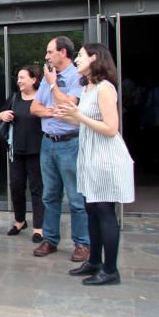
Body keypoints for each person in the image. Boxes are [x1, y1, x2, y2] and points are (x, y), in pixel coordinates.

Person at [56, 44, 135, 286]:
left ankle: (110, 270)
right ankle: (95, 262)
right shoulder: (88, 87)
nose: (77, 60)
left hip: (106, 159)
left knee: (104, 212)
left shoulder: (105, 88)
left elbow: (111, 129)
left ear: (94, 58)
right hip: (90, 157)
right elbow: (86, 121)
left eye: (80, 56)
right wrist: (64, 114)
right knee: (92, 211)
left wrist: (77, 116)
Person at [30, 36, 89, 262]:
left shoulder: (77, 77)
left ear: (63, 52)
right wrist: (51, 111)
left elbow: (69, 105)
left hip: (70, 143)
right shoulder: (47, 77)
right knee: (49, 195)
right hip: (48, 142)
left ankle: (82, 243)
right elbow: (35, 107)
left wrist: (54, 86)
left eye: (50, 52)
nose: (46, 57)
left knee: (75, 197)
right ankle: (51, 239)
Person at [0, 66, 44, 240]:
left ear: (34, 79)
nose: (19, 81)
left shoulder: (41, 98)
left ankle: (39, 227)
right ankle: (20, 220)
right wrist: (2, 115)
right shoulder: (14, 98)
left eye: (23, 78)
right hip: (16, 151)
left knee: (37, 189)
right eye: (18, 78)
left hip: (37, 151)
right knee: (16, 187)